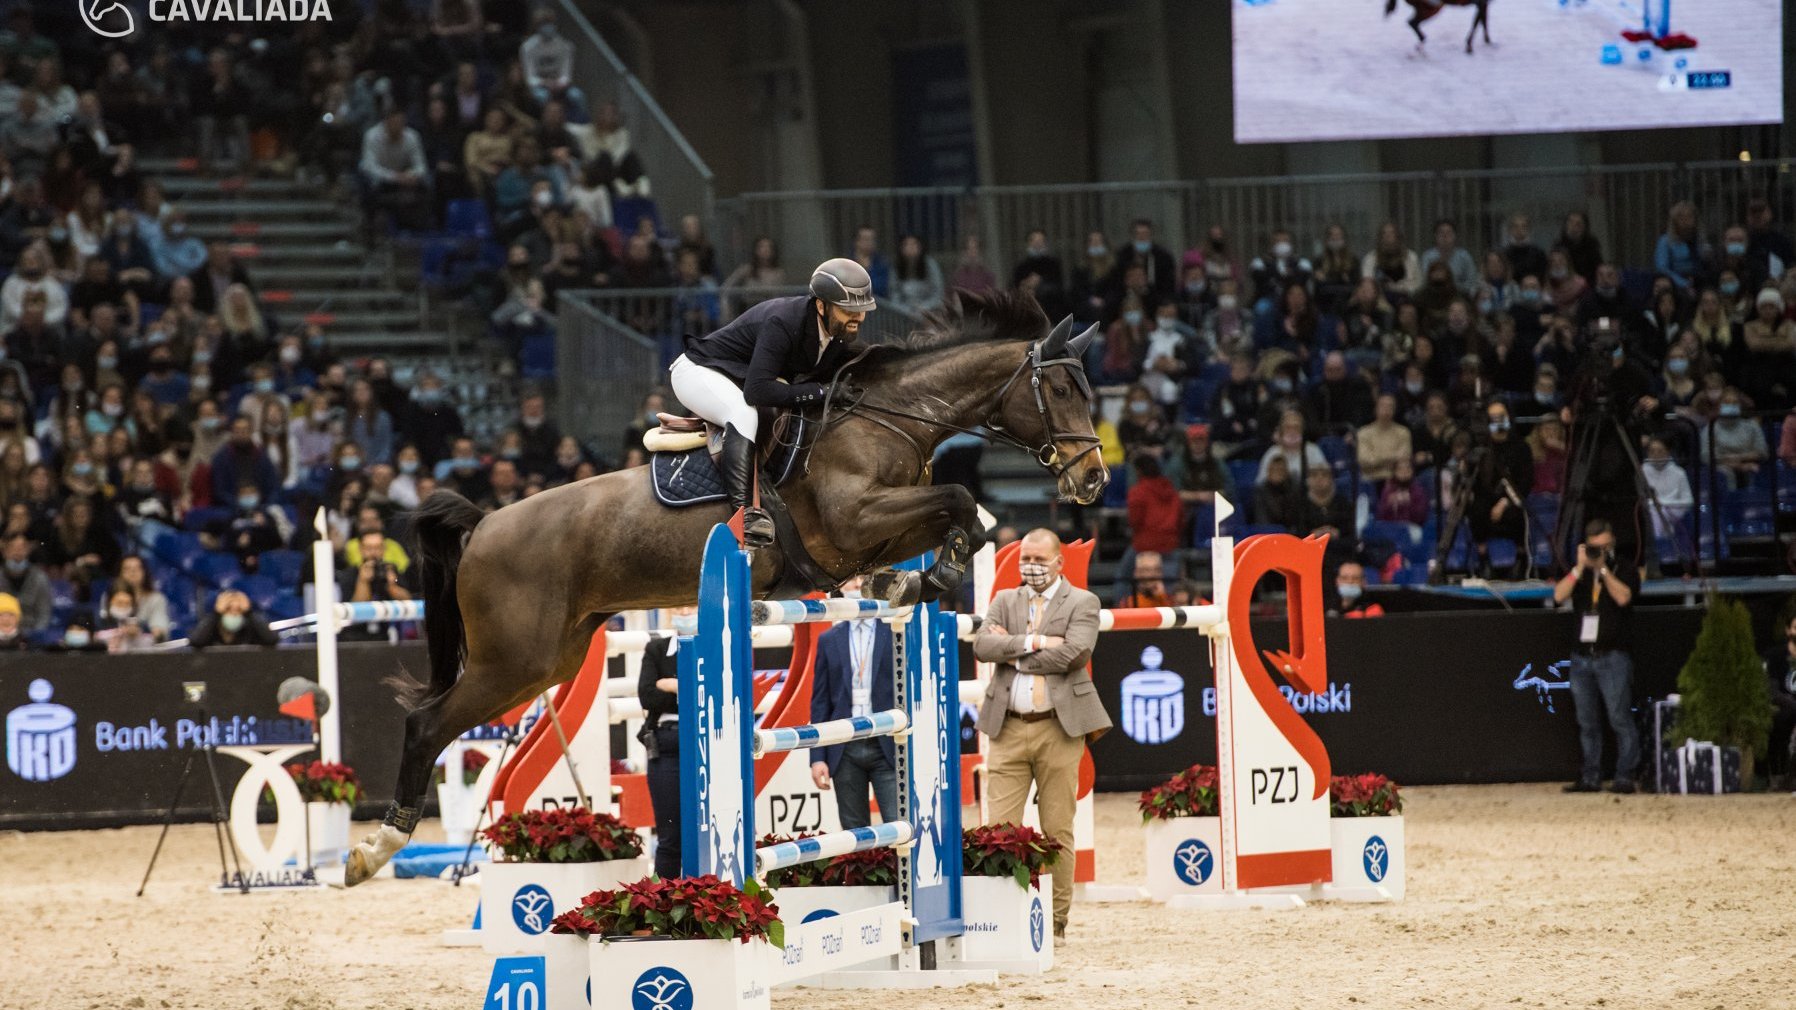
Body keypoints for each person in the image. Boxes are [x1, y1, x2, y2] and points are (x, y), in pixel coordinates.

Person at [672, 258, 876, 546]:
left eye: (862, 310)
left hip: (735, 377)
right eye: (848, 310)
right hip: (697, 372)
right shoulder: (784, 321)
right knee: (743, 414)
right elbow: (757, 391)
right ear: (821, 306)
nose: (857, 317)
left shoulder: (836, 334)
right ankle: (744, 515)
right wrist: (820, 392)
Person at [972, 528, 1110, 942]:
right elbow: (982, 647)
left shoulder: (1084, 602)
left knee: (1057, 831)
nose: (1030, 566)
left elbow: (1074, 654)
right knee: (998, 831)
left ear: (1059, 562)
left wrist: (1012, 651)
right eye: (1025, 559)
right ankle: (1003, 919)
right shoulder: (1004, 600)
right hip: (1007, 726)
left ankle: (1056, 921)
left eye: (1038, 559)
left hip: (1059, 727)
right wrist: (1035, 641)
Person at [1553, 519, 1640, 794]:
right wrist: (1580, 567)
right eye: (1593, 548)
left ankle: (1624, 775)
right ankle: (1590, 776)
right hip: (1582, 658)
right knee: (1587, 721)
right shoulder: (1580, 573)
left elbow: (1624, 597)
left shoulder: (1624, 568)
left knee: (1619, 718)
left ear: (1612, 542)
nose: (1598, 552)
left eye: (1603, 547)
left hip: (1612, 656)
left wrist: (1603, 569)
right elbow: (1558, 595)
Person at [809, 576, 896, 830]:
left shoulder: (893, 632)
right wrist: (817, 757)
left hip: (887, 744)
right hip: (844, 747)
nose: (857, 586)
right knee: (854, 833)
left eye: (863, 580)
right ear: (840, 589)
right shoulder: (828, 640)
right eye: (850, 581)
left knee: (898, 827)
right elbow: (820, 702)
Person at [638, 604, 693, 878]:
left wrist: (671, 684)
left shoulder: (717, 646)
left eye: (691, 605)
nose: (684, 612)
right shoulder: (656, 649)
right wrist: (689, 686)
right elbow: (647, 695)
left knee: (705, 832)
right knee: (669, 836)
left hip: (707, 744)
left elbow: (712, 695)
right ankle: (664, 907)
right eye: (678, 607)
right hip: (666, 745)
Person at [1467, 401, 1532, 577]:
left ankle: (1520, 560)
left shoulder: (1522, 448)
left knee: (1518, 513)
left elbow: (1525, 482)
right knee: (1477, 509)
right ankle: (1483, 560)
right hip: (1487, 499)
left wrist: (1505, 502)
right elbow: (1476, 484)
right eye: (1494, 418)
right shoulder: (1481, 449)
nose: (1499, 421)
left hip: (1512, 498)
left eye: (1502, 416)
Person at [340, 530, 416, 641]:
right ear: (361, 549)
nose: (373, 553)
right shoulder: (349, 574)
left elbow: (408, 600)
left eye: (378, 547)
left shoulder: (391, 570)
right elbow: (355, 610)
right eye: (369, 548)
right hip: (355, 636)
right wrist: (363, 581)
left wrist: (391, 583)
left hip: (386, 635)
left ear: (384, 549)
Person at [1764, 613, 1796, 792]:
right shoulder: (1775, 656)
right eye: (1795, 628)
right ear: (1788, 630)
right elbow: (1771, 689)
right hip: (1784, 708)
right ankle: (1779, 776)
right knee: (1784, 716)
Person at [189, 589, 278, 648]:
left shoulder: (250, 626)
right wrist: (216, 613)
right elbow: (196, 641)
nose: (234, 614)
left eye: (238, 610)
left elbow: (271, 639)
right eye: (228, 609)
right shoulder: (212, 627)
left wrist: (249, 612)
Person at [1357, 393, 1412, 483]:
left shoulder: (1403, 432)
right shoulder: (1363, 433)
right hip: (1370, 480)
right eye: (1383, 406)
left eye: (1390, 406)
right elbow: (1365, 461)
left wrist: (1377, 461)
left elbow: (1403, 459)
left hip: (1396, 480)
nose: (1386, 409)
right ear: (1376, 409)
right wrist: (1392, 459)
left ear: (1394, 410)